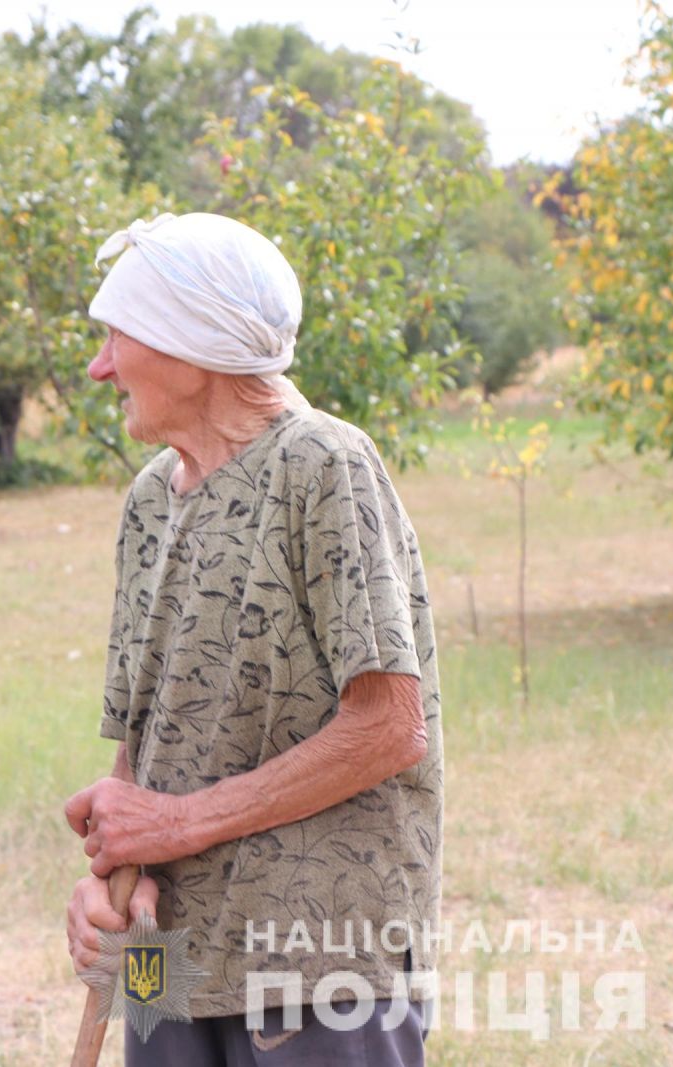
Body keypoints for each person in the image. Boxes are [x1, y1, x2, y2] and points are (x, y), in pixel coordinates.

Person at [62, 213, 443, 1065]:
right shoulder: (150, 498)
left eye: (117, 337)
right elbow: (142, 746)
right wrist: (108, 872)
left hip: (313, 958)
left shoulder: (323, 464)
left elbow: (389, 726)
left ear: (190, 347)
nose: (99, 366)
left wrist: (177, 824)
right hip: (163, 957)